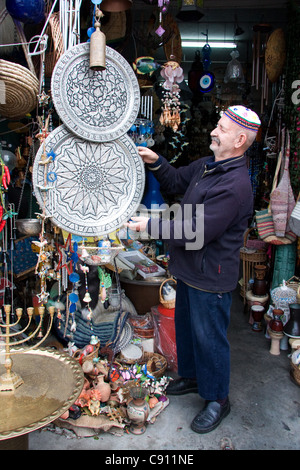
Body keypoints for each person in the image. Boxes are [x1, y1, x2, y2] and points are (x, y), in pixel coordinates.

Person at [125, 105, 261, 434]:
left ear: (240, 139)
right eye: (216, 125)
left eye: (222, 129)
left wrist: (149, 226)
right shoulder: (208, 166)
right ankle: (190, 376)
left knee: (209, 339)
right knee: (187, 329)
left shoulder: (235, 185)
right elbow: (175, 178)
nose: (214, 132)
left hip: (210, 276)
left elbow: (194, 231)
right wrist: (155, 161)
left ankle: (217, 399)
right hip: (188, 270)